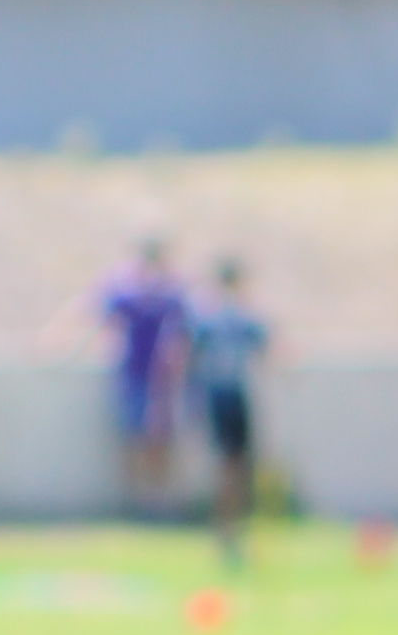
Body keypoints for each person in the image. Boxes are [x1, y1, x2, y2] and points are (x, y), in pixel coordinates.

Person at [188, 259, 271, 569]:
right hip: (227, 395)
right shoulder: (231, 316)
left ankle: (230, 530)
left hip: (224, 395)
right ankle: (227, 530)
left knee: (233, 466)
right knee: (231, 466)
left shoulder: (212, 316)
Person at [100, 238, 187, 518]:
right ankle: (134, 498)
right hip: (135, 373)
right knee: (133, 435)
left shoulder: (170, 296)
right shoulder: (129, 294)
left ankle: (157, 498)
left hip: (161, 378)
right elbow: (101, 313)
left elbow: (183, 333)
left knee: (159, 437)